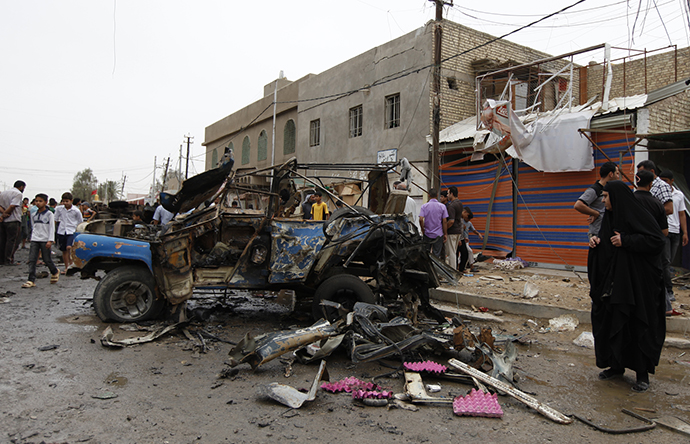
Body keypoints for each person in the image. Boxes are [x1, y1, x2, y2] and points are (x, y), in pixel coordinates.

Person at [588, 180, 666, 392]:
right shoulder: (609, 219)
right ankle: (616, 366)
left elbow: (657, 241)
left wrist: (627, 241)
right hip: (614, 287)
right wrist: (595, 242)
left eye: (605, 196)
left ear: (616, 197)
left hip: (637, 287)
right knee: (613, 322)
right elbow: (606, 247)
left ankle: (642, 375)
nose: (603, 200)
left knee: (636, 324)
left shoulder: (638, 215)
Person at [637, 160, 675, 315]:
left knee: (661, 265)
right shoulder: (643, 193)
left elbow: (669, 208)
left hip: (657, 233)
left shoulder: (661, 186)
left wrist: (649, 217)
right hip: (648, 233)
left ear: (651, 172)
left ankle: (667, 297)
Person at [659, 170, 688, 315]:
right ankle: (668, 291)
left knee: (668, 262)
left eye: (666, 180)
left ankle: (666, 291)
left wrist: (685, 232)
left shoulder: (679, 195)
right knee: (666, 261)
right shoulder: (658, 193)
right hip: (664, 231)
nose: (663, 182)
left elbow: (682, 214)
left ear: (672, 181)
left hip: (676, 232)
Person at [21, 194, 60, 288]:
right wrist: (32, 237)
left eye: (40, 201)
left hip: (45, 239)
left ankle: (54, 271)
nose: (38, 203)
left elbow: (51, 228)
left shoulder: (49, 214)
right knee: (32, 259)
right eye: (37, 201)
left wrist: (50, 240)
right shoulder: (34, 214)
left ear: (45, 202)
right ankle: (31, 279)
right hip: (35, 239)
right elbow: (34, 226)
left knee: (47, 259)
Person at [574, 161, 619, 239]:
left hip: (609, 232)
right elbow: (578, 205)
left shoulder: (610, 190)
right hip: (598, 234)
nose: (618, 177)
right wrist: (595, 213)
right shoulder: (595, 189)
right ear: (611, 174)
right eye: (617, 173)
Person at [54, 192, 84, 274]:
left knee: (69, 248)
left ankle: (71, 265)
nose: (65, 203)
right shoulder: (59, 209)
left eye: (67, 201)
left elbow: (80, 221)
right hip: (62, 231)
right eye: (64, 201)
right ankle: (66, 267)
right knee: (64, 250)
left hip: (71, 231)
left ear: (71, 201)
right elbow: (55, 219)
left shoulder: (76, 210)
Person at [0, 180, 26, 265]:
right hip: (13, 220)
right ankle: (9, 259)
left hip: (3, 221)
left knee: (3, 240)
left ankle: (2, 259)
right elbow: (12, 205)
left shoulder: (3, 193)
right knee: (13, 241)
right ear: (21, 187)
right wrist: (5, 213)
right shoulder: (18, 194)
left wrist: (3, 213)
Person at [419, 188, 448, 257]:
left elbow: (420, 219)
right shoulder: (442, 206)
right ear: (437, 195)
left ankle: (427, 267)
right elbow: (444, 221)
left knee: (426, 254)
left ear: (429, 195)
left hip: (427, 233)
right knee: (436, 255)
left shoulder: (424, 206)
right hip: (438, 234)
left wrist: (423, 229)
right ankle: (434, 267)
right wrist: (445, 234)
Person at [444, 186, 464, 270]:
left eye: (448, 193)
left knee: (451, 252)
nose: (447, 195)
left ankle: (452, 271)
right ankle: (453, 269)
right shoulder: (459, 203)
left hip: (452, 231)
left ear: (452, 193)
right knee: (454, 251)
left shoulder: (451, 206)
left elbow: (451, 221)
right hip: (458, 231)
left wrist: (444, 229)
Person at [459, 207, 483, 272]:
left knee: (464, 253)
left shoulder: (469, 223)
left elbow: (473, 230)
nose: (467, 220)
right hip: (461, 239)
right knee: (469, 251)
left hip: (465, 240)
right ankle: (471, 266)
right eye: (467, 218)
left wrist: (478, 234)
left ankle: (461, 266)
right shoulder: (461, 220)